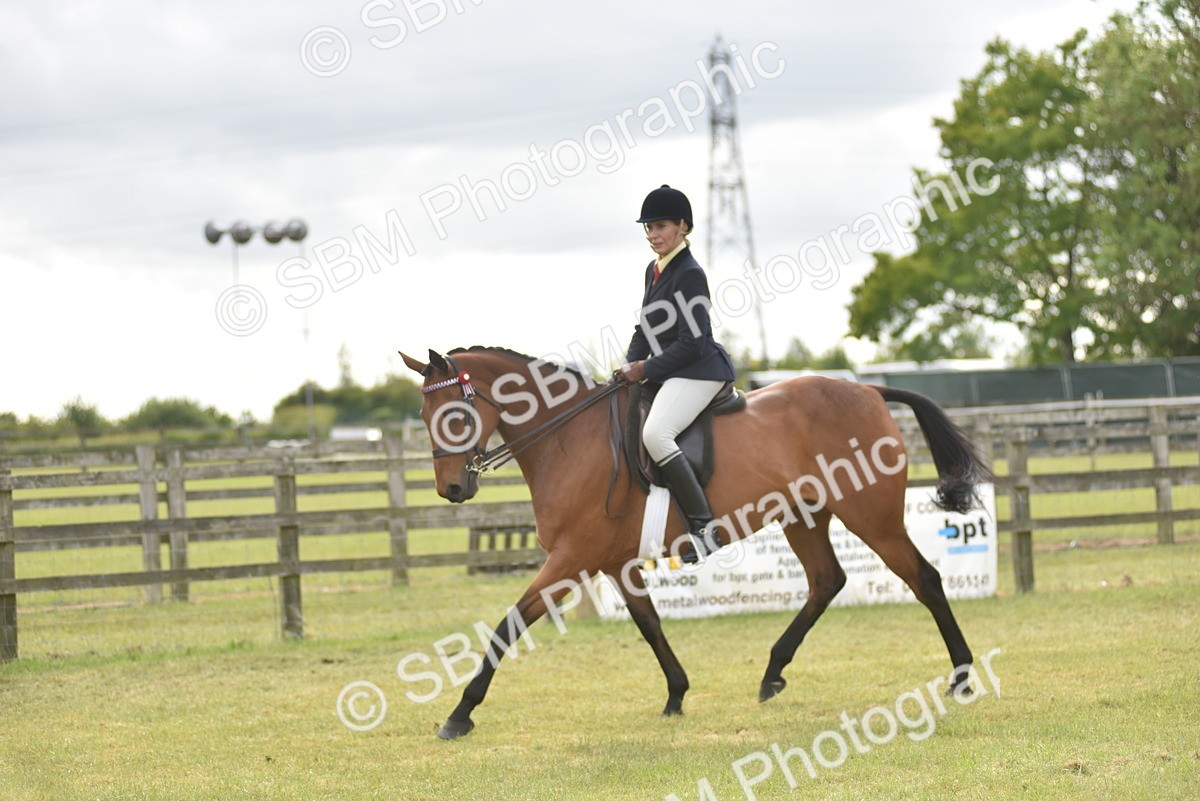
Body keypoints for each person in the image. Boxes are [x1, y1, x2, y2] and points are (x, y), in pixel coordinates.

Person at [620, 185, 737, 564]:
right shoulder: (653, 271)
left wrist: (646, 368)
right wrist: (626, 368)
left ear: (683, 227)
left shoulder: (689, 274)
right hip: (672, 371)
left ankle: (704, 527)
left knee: (656, 433)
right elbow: (644, 330)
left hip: (700, 369)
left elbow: (694, 341)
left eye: (662, 226)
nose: (653, 234)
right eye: (649, 228)